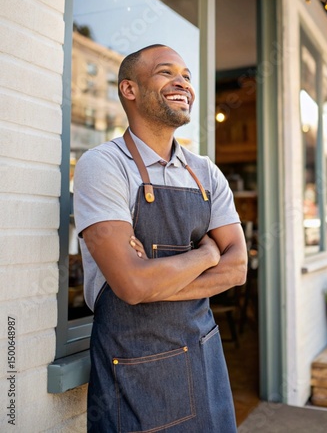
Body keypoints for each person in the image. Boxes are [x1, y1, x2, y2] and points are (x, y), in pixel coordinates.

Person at [73, 44, 248, 432]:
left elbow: (236, 269)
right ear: (129, 90)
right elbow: (132, 285)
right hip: (135, 370)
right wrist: (206, 254)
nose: (183, 82)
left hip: (203, 359)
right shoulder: (103, 165)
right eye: (166, 72)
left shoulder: (205, 172)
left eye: (186, 75)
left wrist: (152, 278)